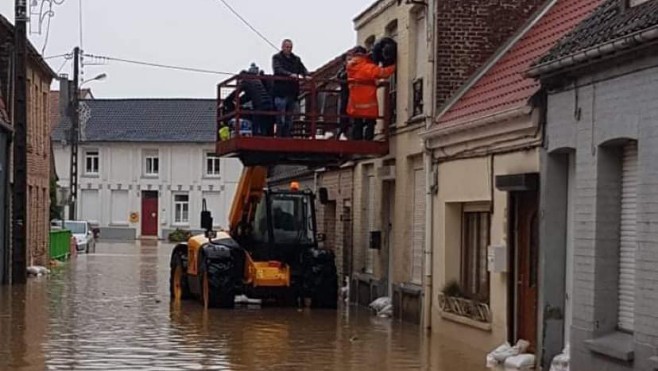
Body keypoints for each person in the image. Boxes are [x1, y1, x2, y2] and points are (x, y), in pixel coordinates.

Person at [346, 46, 396, 140]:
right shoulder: (367, 67)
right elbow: (383, 73)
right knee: (370, 122)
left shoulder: (351, 68)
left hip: (355, 102)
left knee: (357, 122)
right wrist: (394, 66)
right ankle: (368, 138)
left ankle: (357, 140)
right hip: (367, 101)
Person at [272, 39, 308, 137]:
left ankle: (287, 136)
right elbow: (278, 69)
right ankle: (280, 137)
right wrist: (290, 75)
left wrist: (307, 75)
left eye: (290, 47)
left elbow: (302, 69)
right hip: (281, 92)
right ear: (282, 47)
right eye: (287, 47)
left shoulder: (296, 59)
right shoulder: (277, 58)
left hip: (292, 92)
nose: (288, 49)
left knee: (289, 119)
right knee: (281, 118)